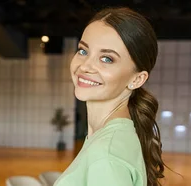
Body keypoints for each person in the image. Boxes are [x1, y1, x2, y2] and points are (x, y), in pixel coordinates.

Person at [54, 7, 166, 186]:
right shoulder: (108, 138)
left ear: (137, 79)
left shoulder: (106, 155)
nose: (85, 66)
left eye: (107, 59)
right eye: (83, 51)